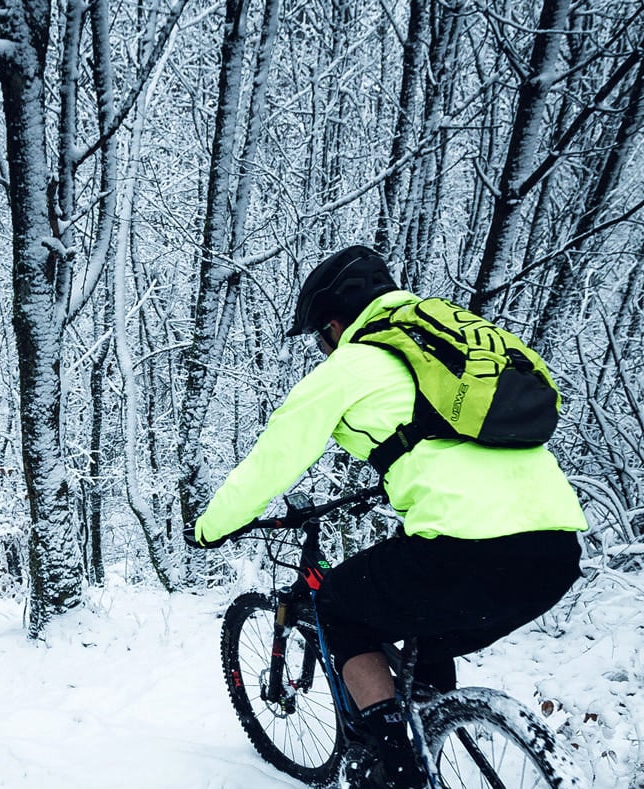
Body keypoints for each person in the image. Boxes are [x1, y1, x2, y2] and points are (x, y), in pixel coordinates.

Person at [186, 245, 586, 789]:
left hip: (466, 547)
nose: (323, 349)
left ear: (333, 323)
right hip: (555, 551)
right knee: (429, 634)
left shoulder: (355, 364)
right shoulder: (456, 349)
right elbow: (445, 446)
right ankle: (431, 724)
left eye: (320, 338)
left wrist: (211, 526)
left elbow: (271, 460)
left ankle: (397, 772)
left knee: (336, 610)